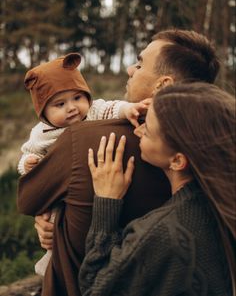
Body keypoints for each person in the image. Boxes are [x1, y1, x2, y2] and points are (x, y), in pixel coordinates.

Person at [17, 29, 220, 296]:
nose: (128, 69)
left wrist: (56, 219)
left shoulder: (84, 140)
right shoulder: (210, 153)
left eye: (139, 63)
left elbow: (27, 199)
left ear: (164, 84)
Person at [80, 82, 235, 296]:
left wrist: (106, 202)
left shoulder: (161, 234)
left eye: (148, 129)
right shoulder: (222, 204)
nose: (138, 129)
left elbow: (94, 289)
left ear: (177, 160)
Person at [17, 52, 148, 276]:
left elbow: (113, 107)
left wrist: (128, 109)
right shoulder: (41, 134)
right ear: (43, 113)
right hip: (60, 189)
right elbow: (28, 154)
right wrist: (27, 164)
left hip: (91, 184)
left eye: (78, 98)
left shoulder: (95, 111)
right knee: (53, 219)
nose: (72, 108)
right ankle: (51, 257)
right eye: (60, 104)